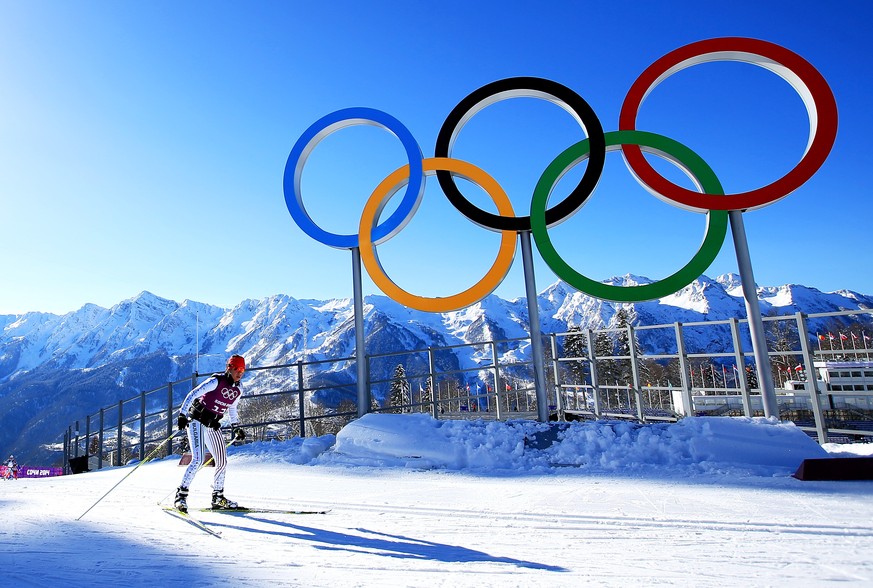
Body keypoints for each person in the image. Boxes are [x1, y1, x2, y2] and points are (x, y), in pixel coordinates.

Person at [173, 355, 247, 512]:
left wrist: (236, 427)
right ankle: (181, 496)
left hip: (212, 424)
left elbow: (232, 409)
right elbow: (193, 394)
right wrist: (182, 414)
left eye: (242, 370)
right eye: (237, 369)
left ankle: (218, 497)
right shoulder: (216, 381)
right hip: (196, 420)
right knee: (198, 459)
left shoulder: (238, 389)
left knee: (222, 460)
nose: (239, 373)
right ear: (229, 368)